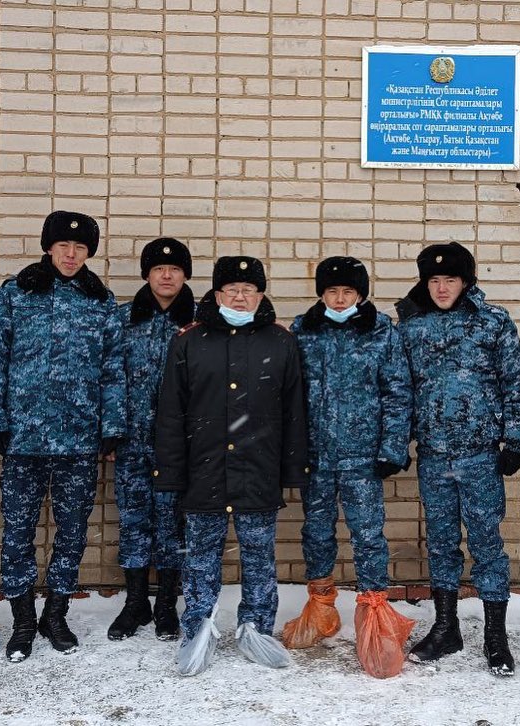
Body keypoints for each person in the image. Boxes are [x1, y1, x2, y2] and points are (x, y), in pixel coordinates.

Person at [0, 210, 126, 662]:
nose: (71, 254)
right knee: (17, 531)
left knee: (73, 531)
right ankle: (23, 619)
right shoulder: (17, 293)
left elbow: (112, 368)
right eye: (63, 246)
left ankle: (55, 615)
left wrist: (112, 426)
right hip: (23, 439)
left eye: (80, 248)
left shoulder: (100, 300)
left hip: (79, 439)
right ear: (49, 247)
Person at [153, 256, 309, 676]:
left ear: (260, 295)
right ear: (217, 294)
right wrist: (170, 471)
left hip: (258, 470)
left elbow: (294, 411)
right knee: (200, 558)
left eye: (249, 290)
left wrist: (292, 470)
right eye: (232, 290)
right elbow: (171, 412)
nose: (240, 297)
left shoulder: (280, 342)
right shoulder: (190, 341)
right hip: (204, 470)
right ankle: (198, 630)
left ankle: (257, 629)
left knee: (259, 557)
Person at [395, 242, 520, 676]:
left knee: (486, 544)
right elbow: (400, 389)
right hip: (434, 455)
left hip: (480, 456)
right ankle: (446, 628)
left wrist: (515, 441)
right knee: (440, 544)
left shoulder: (492, 322)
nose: (441, 288)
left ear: (466, 282)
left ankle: (495, 637)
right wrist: (397, 444)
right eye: (434, 280)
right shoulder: (410, 327)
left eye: (450, 280)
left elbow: (516, 383)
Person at [282, 256, 415, 678]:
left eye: (348, 292)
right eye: (332, 291)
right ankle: (321, 607)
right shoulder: (304, 331)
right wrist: (292, 450)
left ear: (360, 294)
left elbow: (397, 393)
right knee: (316, 532)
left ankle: (374, 617)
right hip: (316, 457)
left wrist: (391, 449)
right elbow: (289, 394)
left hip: (363, 457)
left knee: (368, 536)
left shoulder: (381, 332)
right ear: (321, 294)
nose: (340, 299)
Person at [108, 238, 194, 642]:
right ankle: (136, 601)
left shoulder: (199, 322)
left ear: (184, 275)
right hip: (132, 442)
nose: (166, 276)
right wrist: (111, 433)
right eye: (159, 269)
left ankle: (166, 604)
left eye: (174, 269)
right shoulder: (123, 319)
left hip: (180, 446)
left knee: (173, 524)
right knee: (133, 522)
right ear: (147, 274)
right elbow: (108, 377)